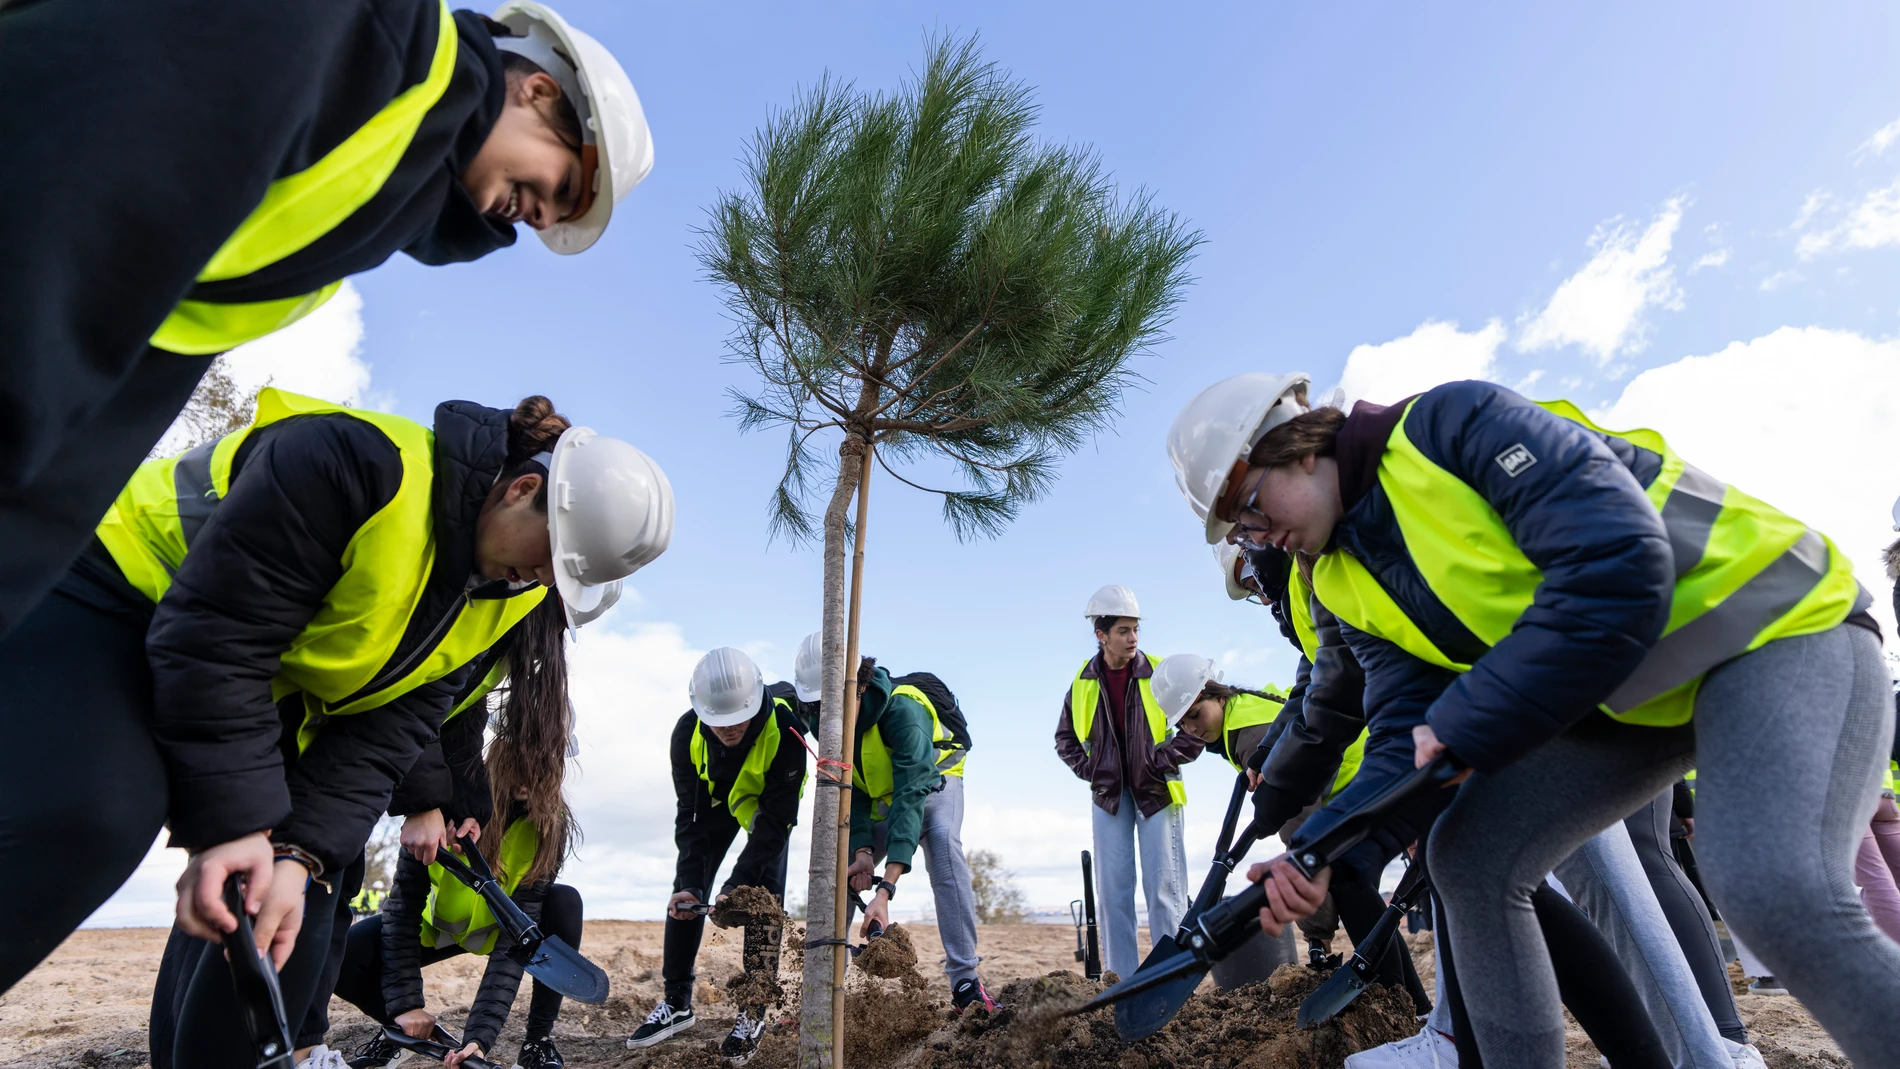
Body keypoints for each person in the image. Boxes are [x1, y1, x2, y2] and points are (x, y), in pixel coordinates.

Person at [1170, 373, 1898, 1065]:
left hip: (1772, 619)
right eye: (1242, 531)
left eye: (1254, 509)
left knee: (1768, 882)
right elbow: (1401, 735)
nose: (1260, 539)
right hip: (1639, 696)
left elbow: (1618, 563)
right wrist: (1323, 853)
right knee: (1470, 854)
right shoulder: (1339, 578)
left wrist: (1468, 716)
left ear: (1294, 443)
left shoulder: (1448, 425)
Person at [1, 389, 671, 1066]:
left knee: (297, 904)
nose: (542, 582)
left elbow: (389, 727)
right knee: (101, 811)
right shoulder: (359, 465)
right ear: (521, 489)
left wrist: (301, 854)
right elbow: (223, 637)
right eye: (550, 559)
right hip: (117, 589)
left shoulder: (500, 593)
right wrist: (237, 823)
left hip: (263, 687)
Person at [0, 0, 654, 639]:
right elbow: (69, 206)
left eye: (557, 218)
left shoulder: (377, 189)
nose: (542, 220)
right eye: (566, 187)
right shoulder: (356, 29)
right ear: (539, 92)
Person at [329, 597, 584, 1069]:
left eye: (545, 762)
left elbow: (515, 947)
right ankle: (406, 1031)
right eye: (521, 756)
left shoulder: (550, 830)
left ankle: (537, 1041)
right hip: (434, 926)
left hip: (495, 933)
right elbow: (402, 912)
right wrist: (405, 1002)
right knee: (346, 952)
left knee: (564, 903)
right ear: (498, 748)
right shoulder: (449, 801)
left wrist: (481, 1039)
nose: (531, 772)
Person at [627, 648, 808, 1065]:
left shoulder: (788, 731)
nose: (729, 730)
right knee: (685, 892)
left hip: (763, 808)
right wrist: (694, 881)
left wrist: (734, 888)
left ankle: (753, 1011)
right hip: (711, 805)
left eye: (737, 721)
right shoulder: (686, 731)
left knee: (764, 895)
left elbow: (775, 827)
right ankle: (676, 1004)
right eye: (719, 722)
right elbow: (688, 819)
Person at [1053, 585, 1201, 980]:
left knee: (1164, 892)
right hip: (1109, 800)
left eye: (1135, 629)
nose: (1133, 638)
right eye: (1123, 630)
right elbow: (1064, 739)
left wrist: (1161, 762)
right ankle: (1122, 981)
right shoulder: (1083, 682)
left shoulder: (1159, 671)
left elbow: (1196, 725)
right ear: (1101, 634)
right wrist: (1094, 772)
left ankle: (1170, 978)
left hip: (1157, 794)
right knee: (1113, 896)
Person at [840, 655, 999, 1013]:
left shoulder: (904, 713)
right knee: (841, 868)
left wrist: (885, 889)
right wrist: (863, 852)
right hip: (889, 794)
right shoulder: (833, 723)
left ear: (860, 688)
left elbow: (912, 796)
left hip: (936, 782)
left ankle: (965, 981)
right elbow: (856, 793)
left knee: (942, 842)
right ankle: (828, 980)